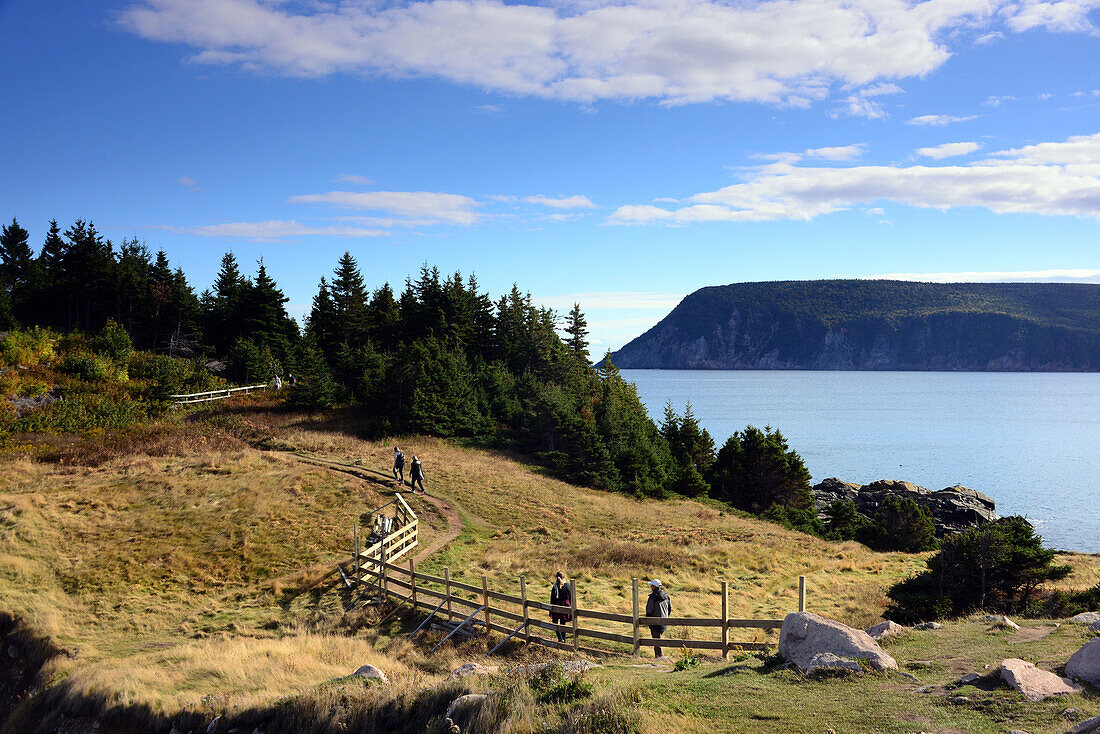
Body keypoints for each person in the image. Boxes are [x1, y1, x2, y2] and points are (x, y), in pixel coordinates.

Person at [645, 578, 672, 658]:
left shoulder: (652, 597)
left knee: (656, 641)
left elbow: (649, 610)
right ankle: (659, 656)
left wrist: (648, 621)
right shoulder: (666, 596)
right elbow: (669, 609)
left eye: (651, 585)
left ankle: (659, 657)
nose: (651, 587)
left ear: (654, 587)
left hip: (654, 622)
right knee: (658, 639)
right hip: (664, 621)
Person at [549, 571, 573, 643]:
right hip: (565, 605)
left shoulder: (554, 586)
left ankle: (559, 637)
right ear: (564, 577)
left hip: (556, 605)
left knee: (555, 621)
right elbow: (571, 597)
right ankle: (564, 639)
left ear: (556, 578)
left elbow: (552, 599)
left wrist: (550, 610)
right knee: (563, 623)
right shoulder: (568, 585)